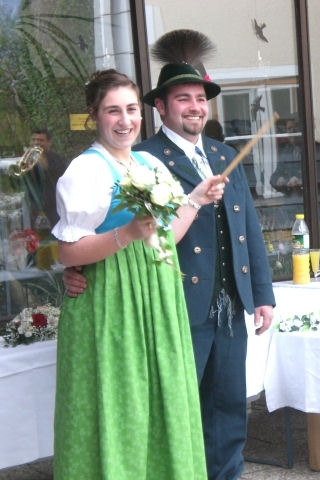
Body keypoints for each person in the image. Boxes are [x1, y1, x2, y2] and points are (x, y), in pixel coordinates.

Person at [64, 29, 276, 480]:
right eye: (183, 99)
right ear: (160, 107)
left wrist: (261, 292)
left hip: (227, 303)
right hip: (171, 303)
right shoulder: (142, 156)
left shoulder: (217, 154)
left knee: (228, 410)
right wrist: (76, 268)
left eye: (200, 98)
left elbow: (245, 230)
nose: (194, 107)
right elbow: (79, 239)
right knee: (173, 412)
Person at [53, 69, 225, 479]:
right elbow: (66, 250)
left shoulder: (149, 163)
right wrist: (126, 234)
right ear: (95, 114)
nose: (125, 120)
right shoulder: (85, 171)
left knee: (162, 397)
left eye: (131, 109)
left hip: (158, 295)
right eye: (113, 110)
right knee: (121, 399)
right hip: (114, 299)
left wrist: (195, 199)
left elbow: (165, 237)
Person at [269, 117, 320, 225]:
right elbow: (274, 177)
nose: (292, 132)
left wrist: (302, 182)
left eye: (295, 129)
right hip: (290, 210)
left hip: (313, 210)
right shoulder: (285, 151)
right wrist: (280, 180)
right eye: (289, 129)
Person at [29, 127, 68, 228]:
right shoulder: (28, 158)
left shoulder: (55, 158)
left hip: (52, 206)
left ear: (49, 143)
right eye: (34, 140)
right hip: (34, 205)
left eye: (40, 140)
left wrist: (43, 163)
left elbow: (58, 177)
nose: (36, 143)